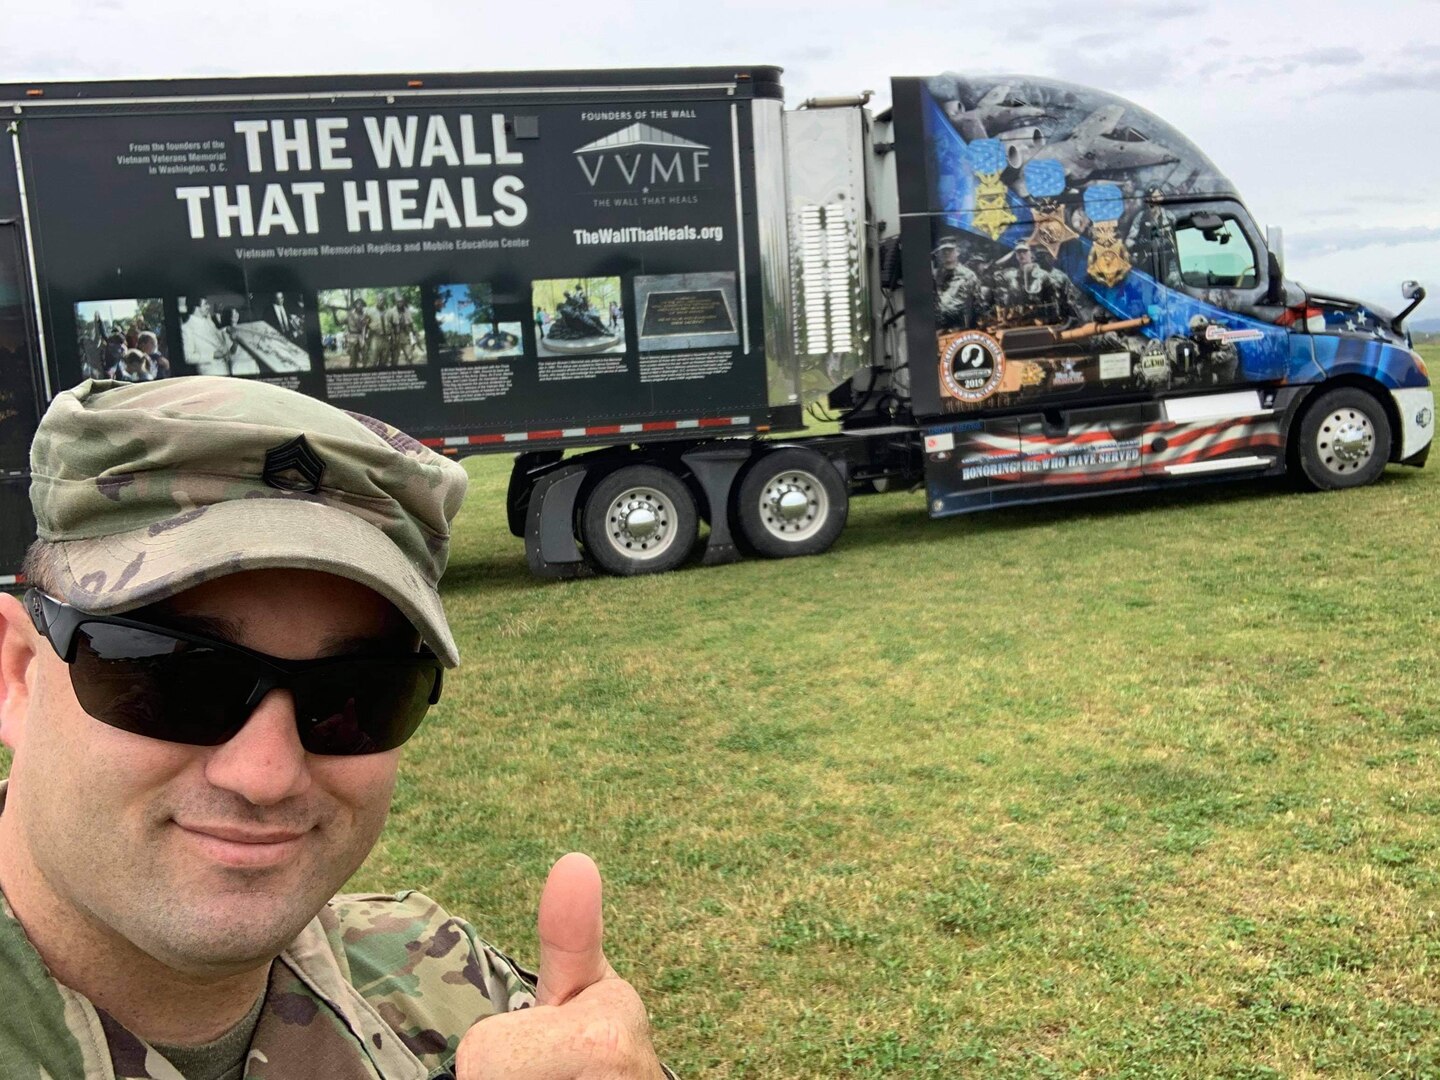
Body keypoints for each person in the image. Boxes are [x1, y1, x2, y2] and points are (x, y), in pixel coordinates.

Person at [0, 377, 670, 1078]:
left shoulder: (447, 987)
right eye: (175, 678)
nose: (265, 775)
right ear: (17, 673)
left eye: (356, 693)